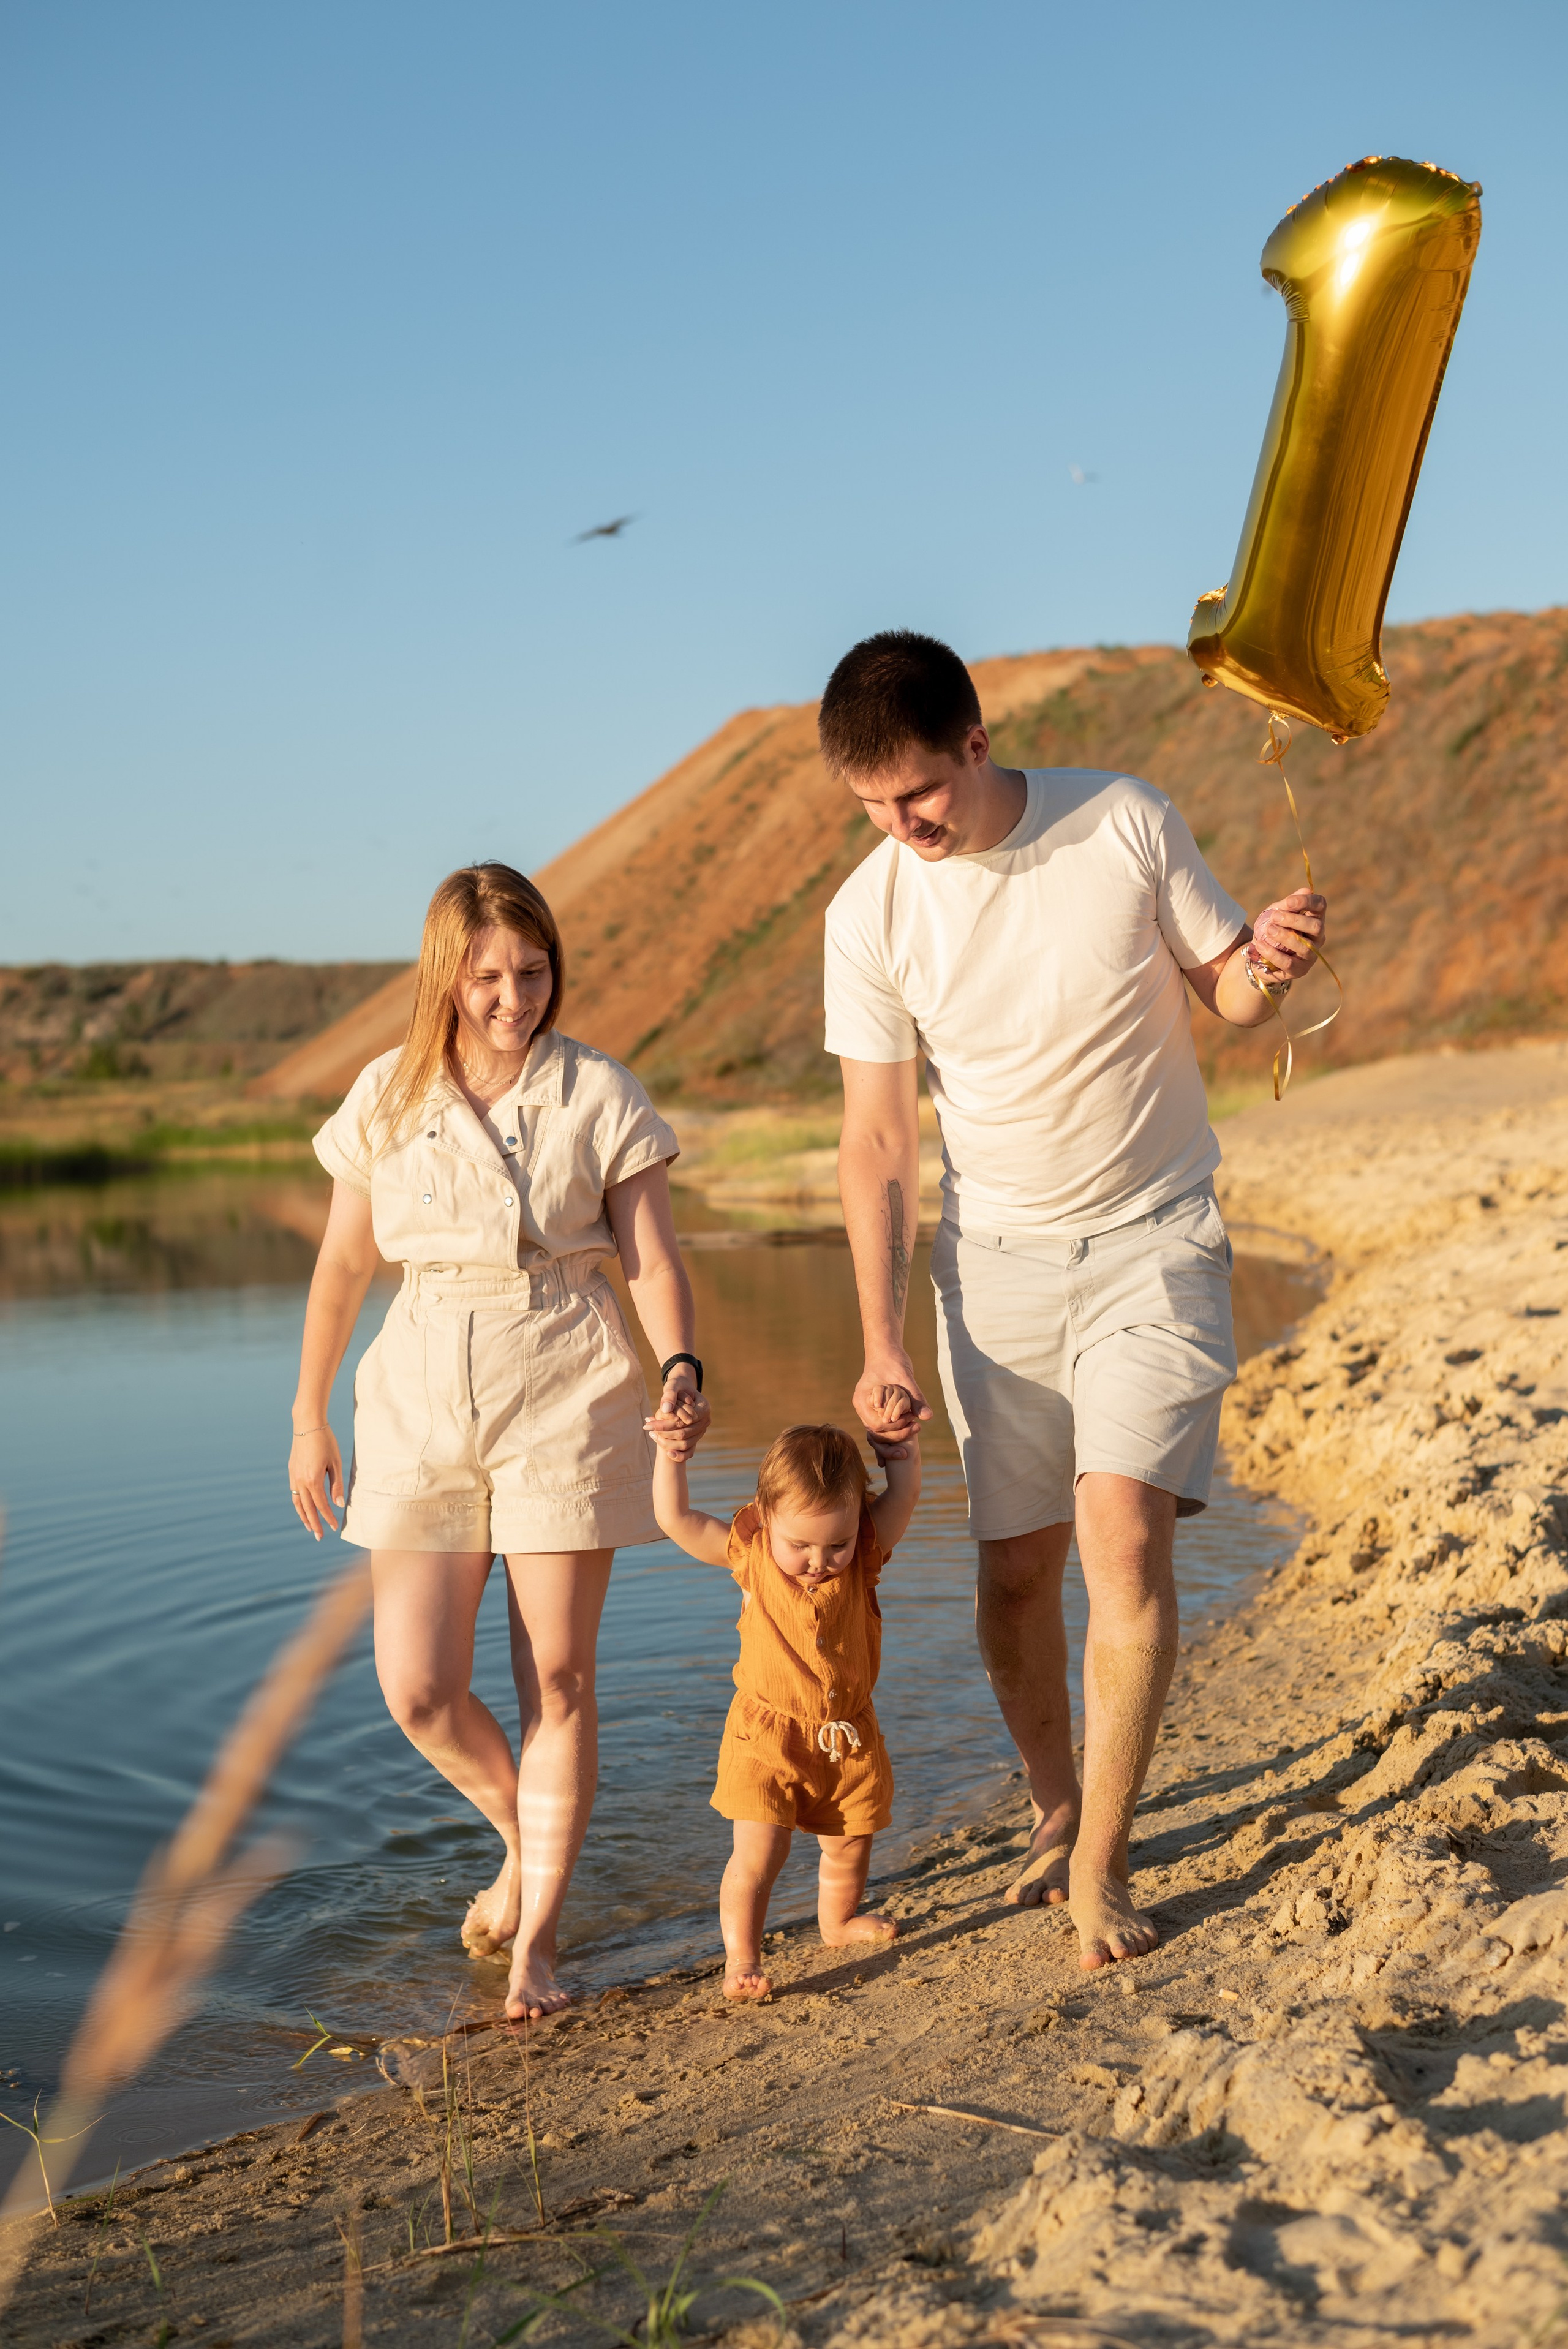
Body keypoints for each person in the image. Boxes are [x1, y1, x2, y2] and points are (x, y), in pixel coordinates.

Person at [818, 631, 1327, 1972]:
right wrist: (876, 1337)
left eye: (915, 796)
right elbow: (875, 1141)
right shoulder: (865, 912)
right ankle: (1055, 1802)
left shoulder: (1123, 820)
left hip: (1155, 1234)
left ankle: (1100, 1860)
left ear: (975, 745)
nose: (899, 827)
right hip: (992, 1266)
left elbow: (1226, 992)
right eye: (870, 808)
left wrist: (1265, 962)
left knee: (1122, 1539)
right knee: (1010, 1576)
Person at [287, 861, 708, 2021]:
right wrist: (307, 1412)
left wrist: (680, 1363)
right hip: (419, 1382)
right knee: (418, 1687)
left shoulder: (598, 1093)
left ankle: (539, 1955)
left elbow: (653, 1260)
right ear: (446, 975)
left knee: (557, 1681)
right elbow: (340, 1267)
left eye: (532, 972)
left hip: (568, 1376)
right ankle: (527, 1844)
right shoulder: (386, 1093)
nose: (513, 998)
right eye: (487, 977)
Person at [650, 1416, 921, 2001]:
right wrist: (672, 1455)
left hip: (848, 1736)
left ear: (858, 1528)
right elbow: (676, 1519)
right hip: (766, 1739)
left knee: (851, 1842)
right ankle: (742, 1958)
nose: (819, 1560)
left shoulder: (867, 1556)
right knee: (758, 1854)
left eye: (837, 1544)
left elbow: (904, 1496)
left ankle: (837, 1921)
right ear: (766, 1519)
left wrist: (901, 1448)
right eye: (799, 1545)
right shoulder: (749, 1557)